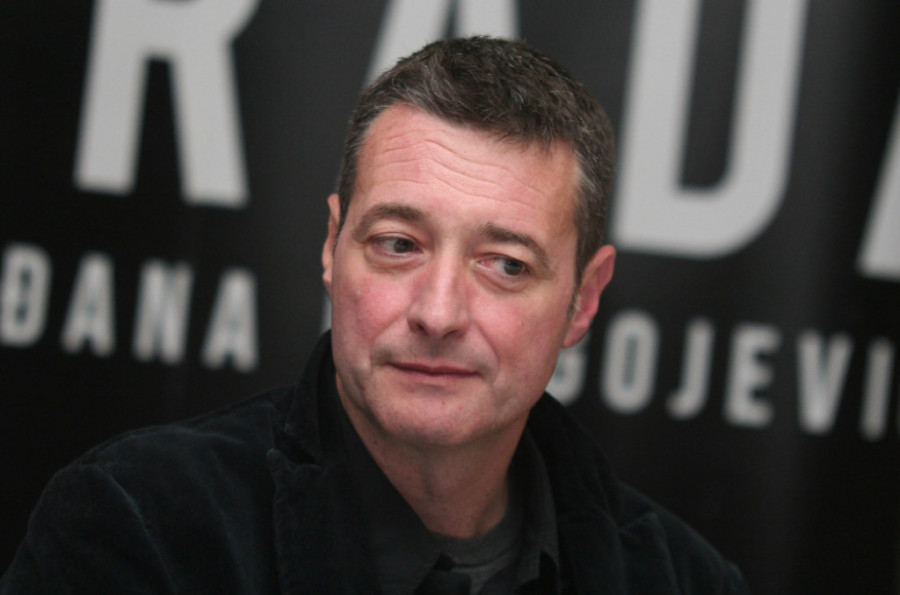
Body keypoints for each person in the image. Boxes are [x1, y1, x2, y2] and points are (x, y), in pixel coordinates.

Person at [2, 36, 749, 593]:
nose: (438, 312)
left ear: (583, 299)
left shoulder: (683, 580)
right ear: (333, 246)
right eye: (398, 244)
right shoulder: (139, 523)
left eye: (505, 264)